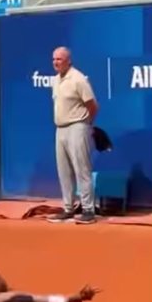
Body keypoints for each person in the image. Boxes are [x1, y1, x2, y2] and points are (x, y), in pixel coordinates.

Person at [48, 47, 100, 224]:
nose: (56, 62)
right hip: (60, 128)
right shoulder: (55, 80)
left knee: (81, 169)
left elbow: (93, 105)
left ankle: (88, 210)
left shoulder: (78, 79)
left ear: (68, 60)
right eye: (54, 59)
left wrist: (85, 124)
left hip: (78, 126)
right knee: (64, 170)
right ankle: (68, 208)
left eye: (59, 59)